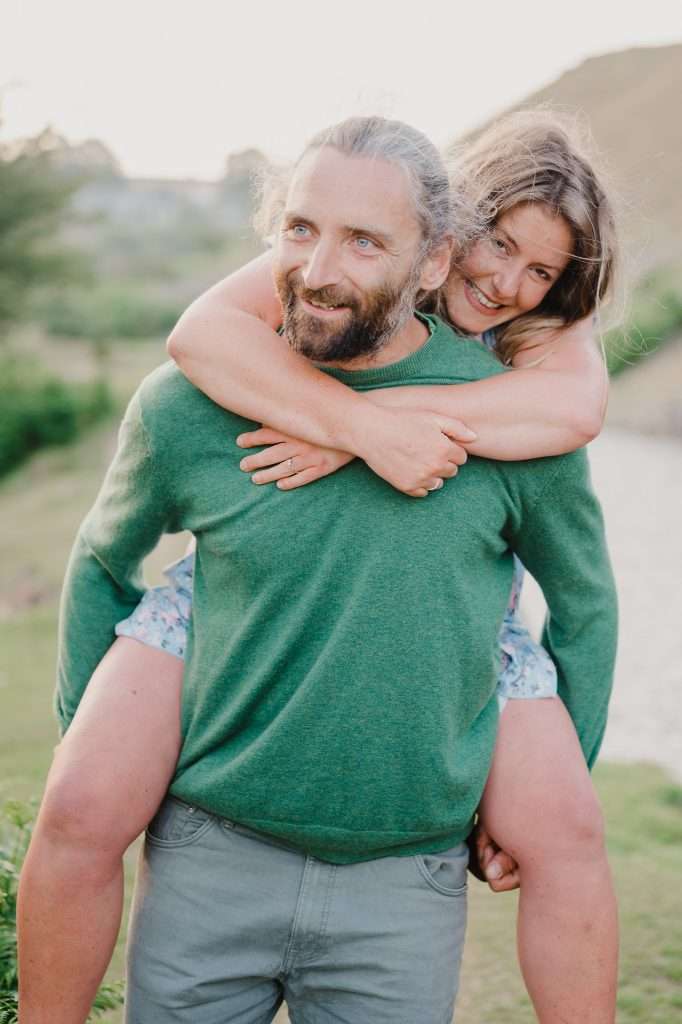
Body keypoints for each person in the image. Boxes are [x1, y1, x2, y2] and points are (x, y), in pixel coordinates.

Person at [17, 114, 618, 1024]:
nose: (506, 283)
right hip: (227, 607)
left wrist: (376, 425)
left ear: (427, 252)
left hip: (462, 626)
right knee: (83, 800)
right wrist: (356, 424)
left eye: (540, 273)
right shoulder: (237, 358)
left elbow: (578, 434)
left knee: (568, 829)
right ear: (462, 235)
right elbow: (198, 339)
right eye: (301, 229)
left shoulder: (536, 373)